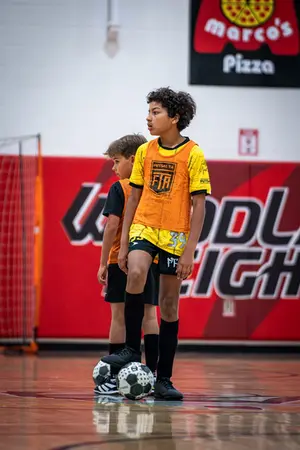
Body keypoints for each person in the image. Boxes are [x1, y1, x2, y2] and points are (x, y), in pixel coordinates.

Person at [102, 87, 211, 400]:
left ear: (175, 118)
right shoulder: (146, 152)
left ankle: (164, 378)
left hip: (175, 235)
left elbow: (200, 205)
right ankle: (130, 351)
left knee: (168, 305)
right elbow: (133, 197)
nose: (148, 118)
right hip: (144, 228)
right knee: (135, 271)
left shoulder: (194, 154)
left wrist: (189, 250)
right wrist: (124, 244)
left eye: (155, 112)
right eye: (148, 111)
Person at [94, 134, 159, 395]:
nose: (113, 167)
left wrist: (102, 262)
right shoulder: (155, 188)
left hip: (121, 258)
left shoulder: (121, 187)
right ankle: (152, 374)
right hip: (151, 257)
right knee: (150, 315)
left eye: (116, 161)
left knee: (119, 315)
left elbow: (111, 226)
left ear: (133, 160)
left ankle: (114, 378)